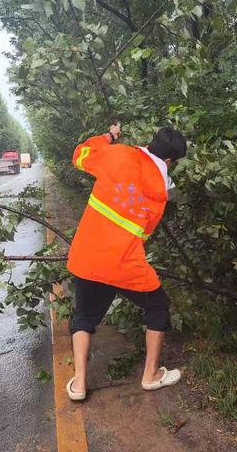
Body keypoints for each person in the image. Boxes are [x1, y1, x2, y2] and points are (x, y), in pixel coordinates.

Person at [66, 121, 187, 400]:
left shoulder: (117, 154)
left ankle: (79, 384)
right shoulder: (164, 186)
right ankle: (151, 375)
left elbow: (80, 154)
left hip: (88, 256)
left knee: (83, 317)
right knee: (158, 306)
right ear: (169, 160)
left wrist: (109, 136)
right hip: (125, 264)